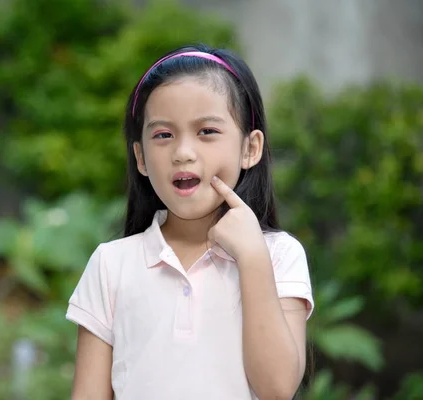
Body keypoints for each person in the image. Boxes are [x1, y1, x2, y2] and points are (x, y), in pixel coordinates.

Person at [65, 44, 315, 400]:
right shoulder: (112, 264)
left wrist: (252, 257)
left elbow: (277, 388)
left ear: (250, 148)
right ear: (140, 157)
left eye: (207, 132)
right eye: (163, 135)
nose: (183, 152)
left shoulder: (279, 256)